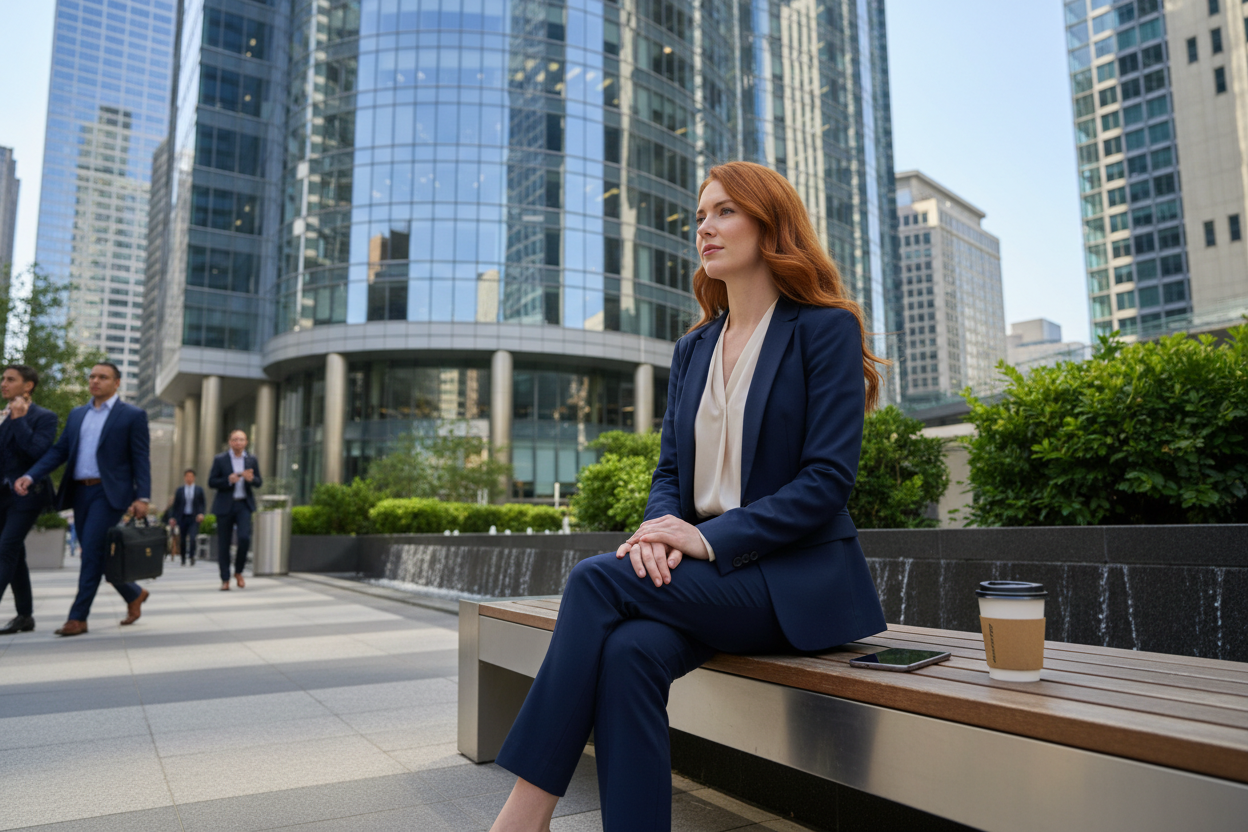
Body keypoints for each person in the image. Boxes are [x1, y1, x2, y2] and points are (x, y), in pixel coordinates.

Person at [488, 162, 888, 832]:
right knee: (628, 654)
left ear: (771, 224)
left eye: (725, 211)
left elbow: (825, 482)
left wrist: (702, 538)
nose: (705, 226)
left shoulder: (825, 329)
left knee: (594, 581)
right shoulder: (693, 348)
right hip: (706, 578)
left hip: (790, 583)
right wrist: (657, 534)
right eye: (701, 215)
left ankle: (524, 818)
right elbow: (670, 472)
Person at [16, 362, 153, 637]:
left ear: (117, 383)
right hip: (80, 492)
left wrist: (143, 496)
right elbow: (59, 451)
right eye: (92, 376)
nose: (95, 381)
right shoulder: (78, 414)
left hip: (109, 493)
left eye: (103, 377)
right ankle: (133, 593)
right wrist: (31, 476)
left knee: (90, 551)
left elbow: (141, 458)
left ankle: (78, 617)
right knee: (94, 552)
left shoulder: (132, 415)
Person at [0, 365, 59, 635]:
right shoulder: (2, 416)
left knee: (5, 549)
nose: (3, 383)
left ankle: (24, 614)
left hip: (27, 496)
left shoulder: (44, 417)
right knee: (14, 554)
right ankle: (25, 615)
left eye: (10, 379)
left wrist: (19, 419)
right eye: (3, 379)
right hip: (2, 496)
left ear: (28, 386)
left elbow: (37, 452)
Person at [208, 429, 262, 590]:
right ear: (230, 442)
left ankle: (238, 571)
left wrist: (251, 479)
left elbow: (259, 482)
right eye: (235, 439)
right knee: (224, 543)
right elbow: (211, 481)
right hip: (224, 505)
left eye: (241, 439)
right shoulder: (220, 459)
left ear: (246, 442)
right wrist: (228, 480)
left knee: (244, 538)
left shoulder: (251, 459)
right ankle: (225, 579)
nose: (238, 442)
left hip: (243, 504)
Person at [169, 469, 206, 566]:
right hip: (183, 517)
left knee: (193, 537)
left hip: (194, 517)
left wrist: (201, 513)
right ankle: (183, 558)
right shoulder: (180, 490)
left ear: (194, 478)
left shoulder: (199, 490)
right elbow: (176, 505)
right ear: (184, 478)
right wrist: (173, 517)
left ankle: (192, 556)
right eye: (187, 476)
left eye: (191, 476)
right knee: (182, 538)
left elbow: (202, 504)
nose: (189, 478)